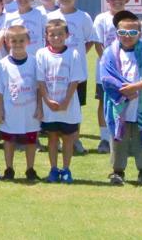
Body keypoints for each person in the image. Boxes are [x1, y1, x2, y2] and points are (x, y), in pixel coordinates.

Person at [99, 10, 142, 186]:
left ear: (139, 34)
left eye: (132, 33)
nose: (127, 36)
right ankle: (118, 171)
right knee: (119, 139)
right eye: (122, 33)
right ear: (117, 33)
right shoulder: (109, 52)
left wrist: (136, 87)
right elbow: (106, 77)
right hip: (119, 104)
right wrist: (124, 90)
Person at [46, 0, 96, 157]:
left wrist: (77, 56)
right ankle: (58, 139)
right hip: (55, 70)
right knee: (56, 101)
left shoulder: (83, 17)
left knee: (75, 105)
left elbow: (90, 39)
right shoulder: (51, 17)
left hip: (77, 71)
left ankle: (75, 139)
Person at [36, 19, 86, 184]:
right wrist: (47, 99)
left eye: (60, 34)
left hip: (68, 106)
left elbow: (74, 81)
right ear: (46, 36)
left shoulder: (73, 54)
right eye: (52, 34)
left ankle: (66, 169)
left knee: (68, 138)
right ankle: (53, 169)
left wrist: (66, 101)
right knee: (52, 138)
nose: (56, 38)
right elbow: (41, 80)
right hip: (49, 105)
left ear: (67, 35)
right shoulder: (41, 54)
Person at [0, 25, 40, 181]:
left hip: (30, 110)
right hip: (10, 110)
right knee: (9, 140)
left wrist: (40, 108)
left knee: (31, 140)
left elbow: (40, 87)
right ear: (7, 42)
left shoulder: (34, 62)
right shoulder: (3, 64)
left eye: (21, 40)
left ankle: (30, 169)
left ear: (28, 41)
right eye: (14, 41)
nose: (18, 44)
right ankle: (9, 169)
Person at [92, 0, 129, 153]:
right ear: (107, 1)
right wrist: (110, 65)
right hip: (106, 70)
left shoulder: (131, 19)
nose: (117, 0)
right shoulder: (101, 18)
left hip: (127, 69)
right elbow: (98, 44)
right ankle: (104, 138)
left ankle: (125, 138)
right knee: (104, 102)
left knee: (127, 103)